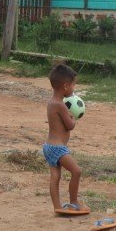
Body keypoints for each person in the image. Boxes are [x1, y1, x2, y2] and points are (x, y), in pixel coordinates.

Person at [43, 64, 89, 213]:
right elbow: (70, 126)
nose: (74, 89)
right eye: (73, 85)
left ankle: (57, 207)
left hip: (48, 146)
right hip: (58, 148)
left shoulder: (52, 103)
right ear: (65, 86)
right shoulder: (61, 105)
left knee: (55, 176)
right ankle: (74, 202)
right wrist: (73, 117)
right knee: (77, 171)